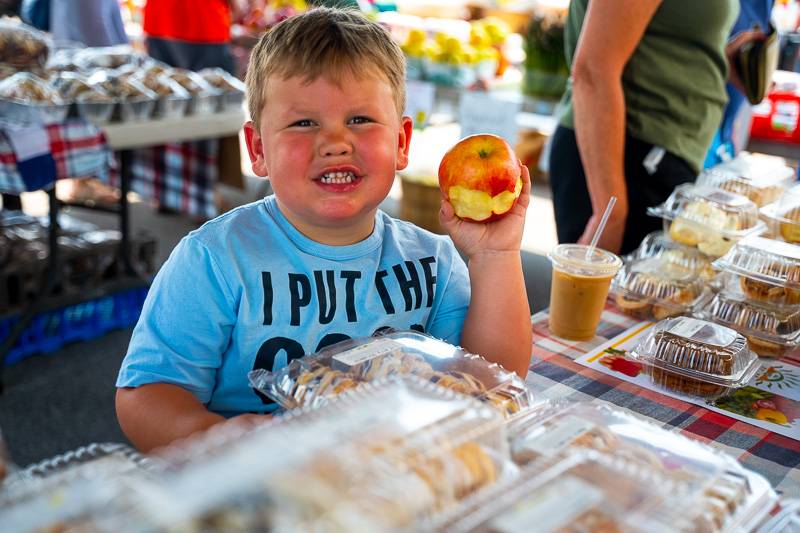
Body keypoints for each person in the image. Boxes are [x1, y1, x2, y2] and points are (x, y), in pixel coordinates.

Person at [115, 7, 532, 452]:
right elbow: (146, 396)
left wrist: (495, 256)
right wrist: (216, 437)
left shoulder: (434, 262)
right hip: (265, 484)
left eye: (360, 120)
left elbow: (494, 381)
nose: (335, 142)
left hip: (393, 472)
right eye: (303, 123)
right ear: (258, 148)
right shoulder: (215, 259)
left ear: (402, 143)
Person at [548, 1, 747, 255]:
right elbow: (593, 72)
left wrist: (722, 57)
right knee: (603, 292)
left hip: (654, 156)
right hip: (625, 162)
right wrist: (610, 214)